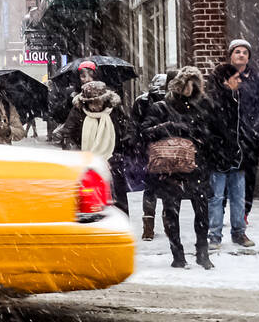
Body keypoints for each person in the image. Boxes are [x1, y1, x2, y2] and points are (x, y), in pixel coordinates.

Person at [143, 66, 214, 270]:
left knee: (202, 213)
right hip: (170, 169)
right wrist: (169, 128)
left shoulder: (201, 107)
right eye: (187, 83)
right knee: (171, 212)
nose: (190, 88)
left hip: (195, 167)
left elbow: (210, 134)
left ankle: (203, 252)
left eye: (194, 83)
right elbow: (145, 132)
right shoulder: (161, 108)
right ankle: (178, 254)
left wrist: (199, 138)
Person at [219, 39, 259, 218]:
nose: (241, 54)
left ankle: (244, 213)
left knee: (248, 176)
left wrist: (257, 126)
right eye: (237, 51)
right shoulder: (222, 77)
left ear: (248, 57)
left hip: (251, 136)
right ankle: (220, 211)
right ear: (231, 55)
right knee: (224, 174)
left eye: (244, 52)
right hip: (228, 136)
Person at [60, 81, 132, 215]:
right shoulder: (78, 112)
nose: (94, 106)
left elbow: (128, 134)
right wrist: (82, 157)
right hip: (85, 164)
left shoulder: (115, 112)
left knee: (118, 199)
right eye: (91, 103)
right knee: (89, 200)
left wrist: (116, 156)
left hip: (113, 162)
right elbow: (67, 135)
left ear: (105, 100)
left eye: (98, 102)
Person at [206, 61, 254, 250]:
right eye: (235, 78)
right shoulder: (212, 102)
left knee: (238, 198)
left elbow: (243, 128)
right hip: (220, 157)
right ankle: (215, 236)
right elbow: (212, 131)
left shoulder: (238, 99)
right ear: (225, 81)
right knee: (216, 198)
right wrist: (220, 149)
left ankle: (239, 233)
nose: (239, 81)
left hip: (238, 156)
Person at [132, 73, 170, 240]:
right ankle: (168, 225)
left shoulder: (142, 101)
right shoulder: (172, 101)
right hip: (169, 149)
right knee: (168, 189)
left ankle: (148, 227)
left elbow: (136, 126)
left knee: (150, 189)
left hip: (150, 149)